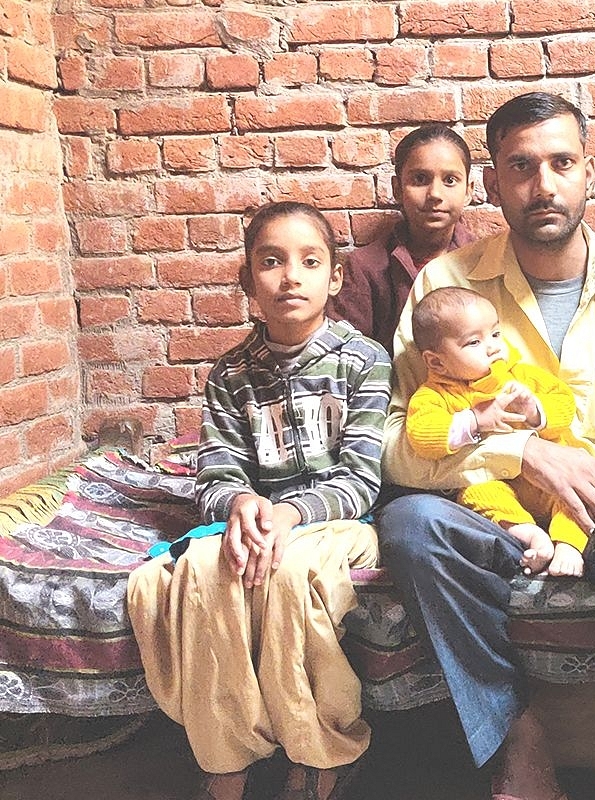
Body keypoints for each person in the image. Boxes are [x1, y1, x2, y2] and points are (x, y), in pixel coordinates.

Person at [374, 92, 595, 800]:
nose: (543, 184)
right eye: (521, 166)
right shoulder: (444, 286)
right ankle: (516, 735)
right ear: (493, 184)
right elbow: (396, 450)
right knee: (409, 525)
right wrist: (522, 456)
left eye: (561, 162)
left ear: (591, 173)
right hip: (492, 513)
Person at [126, 201, 392, 800]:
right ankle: (228, 752)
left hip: (337, 521)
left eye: (309, 261)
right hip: (255, 520)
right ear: (248, 280)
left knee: (290, 574)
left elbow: (360, 478)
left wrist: (291, 514)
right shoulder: (230, 374)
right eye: (271, 262)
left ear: (335, 276)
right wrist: (241, 502)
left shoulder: (365, 363)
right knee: (201, 571)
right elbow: (215, 473)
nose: (290, 276)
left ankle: (320, 746)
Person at [406, 286, 595, 577]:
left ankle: (569, 543)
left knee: (575, 480)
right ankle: (529, 534)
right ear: (436, 361)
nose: (493, 347)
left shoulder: (520, 374)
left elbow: (564, 403)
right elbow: (422, 435)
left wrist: (534, 411)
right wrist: (474, 420)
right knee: (476, 492)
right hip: (499, 484)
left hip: (552, 481)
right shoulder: (434, 395)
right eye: (474, 342)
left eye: (495, 334)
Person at [329, 124, 475, 355]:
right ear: (397, 189)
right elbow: (347, 355)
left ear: (469, 190)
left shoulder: (485, 259)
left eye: (450, 180)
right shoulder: (366, 267)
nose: (435, 194)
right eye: (420, 179)